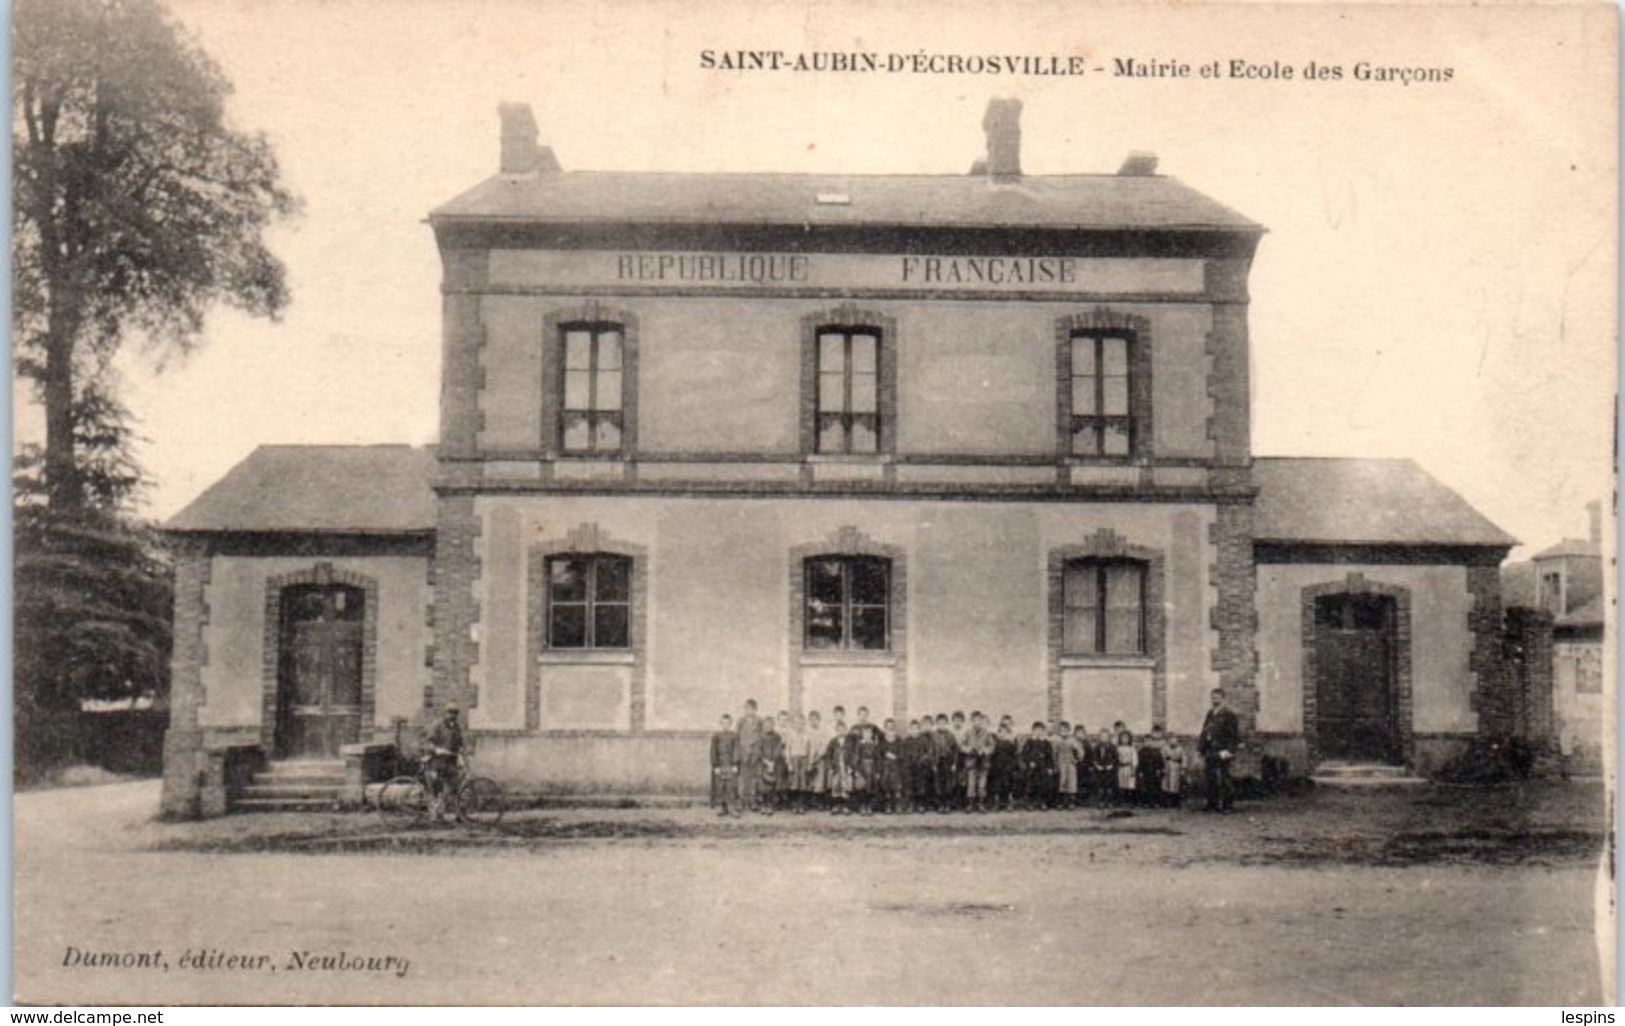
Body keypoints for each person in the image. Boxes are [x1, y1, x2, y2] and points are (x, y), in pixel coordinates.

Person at [1198, 688, 1241, 813]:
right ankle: (1212, 803)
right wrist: (1200, 749)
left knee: (1224, 777)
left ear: (1223, 698)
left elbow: (1234, 735)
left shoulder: (1229, 714)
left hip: (1222, 750)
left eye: (1216, 697)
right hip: (1210, 750)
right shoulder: (1210, 713)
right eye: (1212, 697)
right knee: (1210, 777)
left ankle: (1228, 805)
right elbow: (1204, 731)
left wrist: (1229, 750)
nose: (1214, 700)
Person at [422, 703, 464, 817]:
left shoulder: (456, 727)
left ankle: (456, 813)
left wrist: (460, 752)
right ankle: (434, 813)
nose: (452, 715)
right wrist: (436, 749)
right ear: (445, 713)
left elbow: (459, 742)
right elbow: (428, 742)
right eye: (450, 712)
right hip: (436, 762)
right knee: (435, 787)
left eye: (455, 713)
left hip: (450, 762)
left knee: (454, 786)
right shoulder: (437, 726)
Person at [963, 711, 997, 813]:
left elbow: (992, 746)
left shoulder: (987, 733)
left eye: (979, 720)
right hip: (972, 762)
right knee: (971, 783)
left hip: (983, 762)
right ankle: (970, 804)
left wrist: (985, 750)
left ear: (981, 721)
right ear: (971, 722)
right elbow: (962, 745)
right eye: (974, 720)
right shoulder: (968, 733)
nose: (976, 723)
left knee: (982, 784)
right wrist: (968, 749)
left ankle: (981, 804)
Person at [736, 699, 764, 813]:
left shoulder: (759, 721)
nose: (749, 711)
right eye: (747, 708)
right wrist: (740, 752)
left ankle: (753, 801)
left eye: (752, 709)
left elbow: (761, 737)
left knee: (754, 778)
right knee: (743, 778)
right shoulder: (741, 721)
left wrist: (757, 750)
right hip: (743, 753)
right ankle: (741, 802)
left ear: (755, 710)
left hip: (755, 754)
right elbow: (737, 738)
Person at [710, 713, 740, 816]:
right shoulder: (716, 736)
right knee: (720, 786)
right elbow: (713, 751)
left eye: (727, 723)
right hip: (720, 763)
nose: (725, 725)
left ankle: (733, 809)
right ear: (720, 724)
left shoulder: (734, 736)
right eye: (723, 723)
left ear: (730, 724)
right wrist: (715, 765)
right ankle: (723, 808)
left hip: (730, 763)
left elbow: (736, 749)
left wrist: (735, 764)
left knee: (731, 786)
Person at [1019, 721, 1054, 809]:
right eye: (1036, 730)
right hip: (1032, 768)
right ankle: (1031, 802)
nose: (1038, 732)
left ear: (1043, 731)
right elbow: (1024, 754)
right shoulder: (1029, 742)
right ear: (1032, 731)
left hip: (1043, 767)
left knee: (1043, 785)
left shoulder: (1046, 743)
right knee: (1031, 785)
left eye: (1040, 730)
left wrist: (1050, 767)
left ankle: (1042, 802)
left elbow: (1050, 756)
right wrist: (1029, 762)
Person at [990, 721, 1020, 811]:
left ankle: (1009, 804)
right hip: (997, 768)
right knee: (997, 786)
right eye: (1000, 732)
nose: (1002, 734)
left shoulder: (1010, 744)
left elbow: (1014, 755)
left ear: (1007, 733)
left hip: (1008, 768)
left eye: (1004, 732)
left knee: (1008, 785)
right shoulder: (996, 744)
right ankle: (997, 804)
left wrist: (1012, 766)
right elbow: (993, 756)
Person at [1053, 720, 1081, 809]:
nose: (1063, 733)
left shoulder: (1072, 740)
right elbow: (1054, 753)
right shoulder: (1057, 741)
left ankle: (1071, 802)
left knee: (1071, 782)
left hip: (1070, 763)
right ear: (1058, 732)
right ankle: (1062, 802)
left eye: (1065, 730)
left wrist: (1077, 760)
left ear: (1069, 731)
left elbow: (1080, 751)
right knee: (1062, 781)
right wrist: (1055, 763)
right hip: (1061, 763)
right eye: (1061, 731)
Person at [1114, 725, 1138, 805]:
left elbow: (1134, 759)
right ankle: (1122, 801)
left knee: (1130, 784)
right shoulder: (1118, 748)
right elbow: (1116, 758)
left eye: (1126, 738)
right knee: (1122, 783)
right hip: (1121, 768)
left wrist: (1133, 768)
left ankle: (1130, 801)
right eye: (1123, 738)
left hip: (1129, 767)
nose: (1125, 740)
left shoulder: (1132, 749)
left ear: (1129, 739)